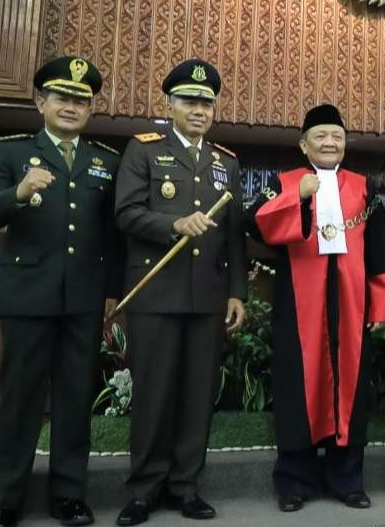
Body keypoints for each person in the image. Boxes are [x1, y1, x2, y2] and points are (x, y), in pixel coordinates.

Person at [0, 56, 121, 527]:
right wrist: (18, 193)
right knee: (21, 401)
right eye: (63, 97)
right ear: (41, 102)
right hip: (26, 297)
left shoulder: (105, 161)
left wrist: (112, 293)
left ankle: (69, 494)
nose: (72, 106)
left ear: (91, 108)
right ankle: (9, 497)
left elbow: (113, 237)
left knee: (76, 399)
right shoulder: (10, 152)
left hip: (83, 300)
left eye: (82, 100)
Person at [114, 59, 247, 525]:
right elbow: (126, 213)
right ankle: (144, 489)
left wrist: (237, 293)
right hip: (156, 293)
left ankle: (186, 487)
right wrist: (173, 223)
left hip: (208, 297)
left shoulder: (225, 161)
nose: (199, 110)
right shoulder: (144, 151)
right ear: (170, 104)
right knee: (154, 394)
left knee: (196, 395)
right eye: (190, 101)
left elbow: (233, 236)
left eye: (206, 103)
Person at [247, 104, 385, 512]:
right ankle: (295, 482)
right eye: (321, 136)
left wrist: (380, 307)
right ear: (303, 144)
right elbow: (253, 221)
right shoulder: (284, 182)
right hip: (299, 305)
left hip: (350, 304)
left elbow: (379, 251)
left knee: (349, 389)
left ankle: (347, 480)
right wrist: (298, 195)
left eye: (337, 137)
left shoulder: (362, 188)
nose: (330, 143)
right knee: (299, 388)